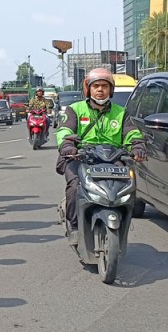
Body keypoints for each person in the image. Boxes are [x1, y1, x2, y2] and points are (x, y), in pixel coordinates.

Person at [55, 68, 146, 239]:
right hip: (81, 156)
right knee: (75, 185)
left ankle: (123, 218)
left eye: (104, 86)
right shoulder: (75, 110)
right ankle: (73, 225)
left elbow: (131, 133)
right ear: (88, 89)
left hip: (112, 158)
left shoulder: (121, 112)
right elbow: (65, 131)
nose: (100, 90)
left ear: (111, 89)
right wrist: (68, 145)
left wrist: (137, 147)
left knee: (128, 183)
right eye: (96, 86)